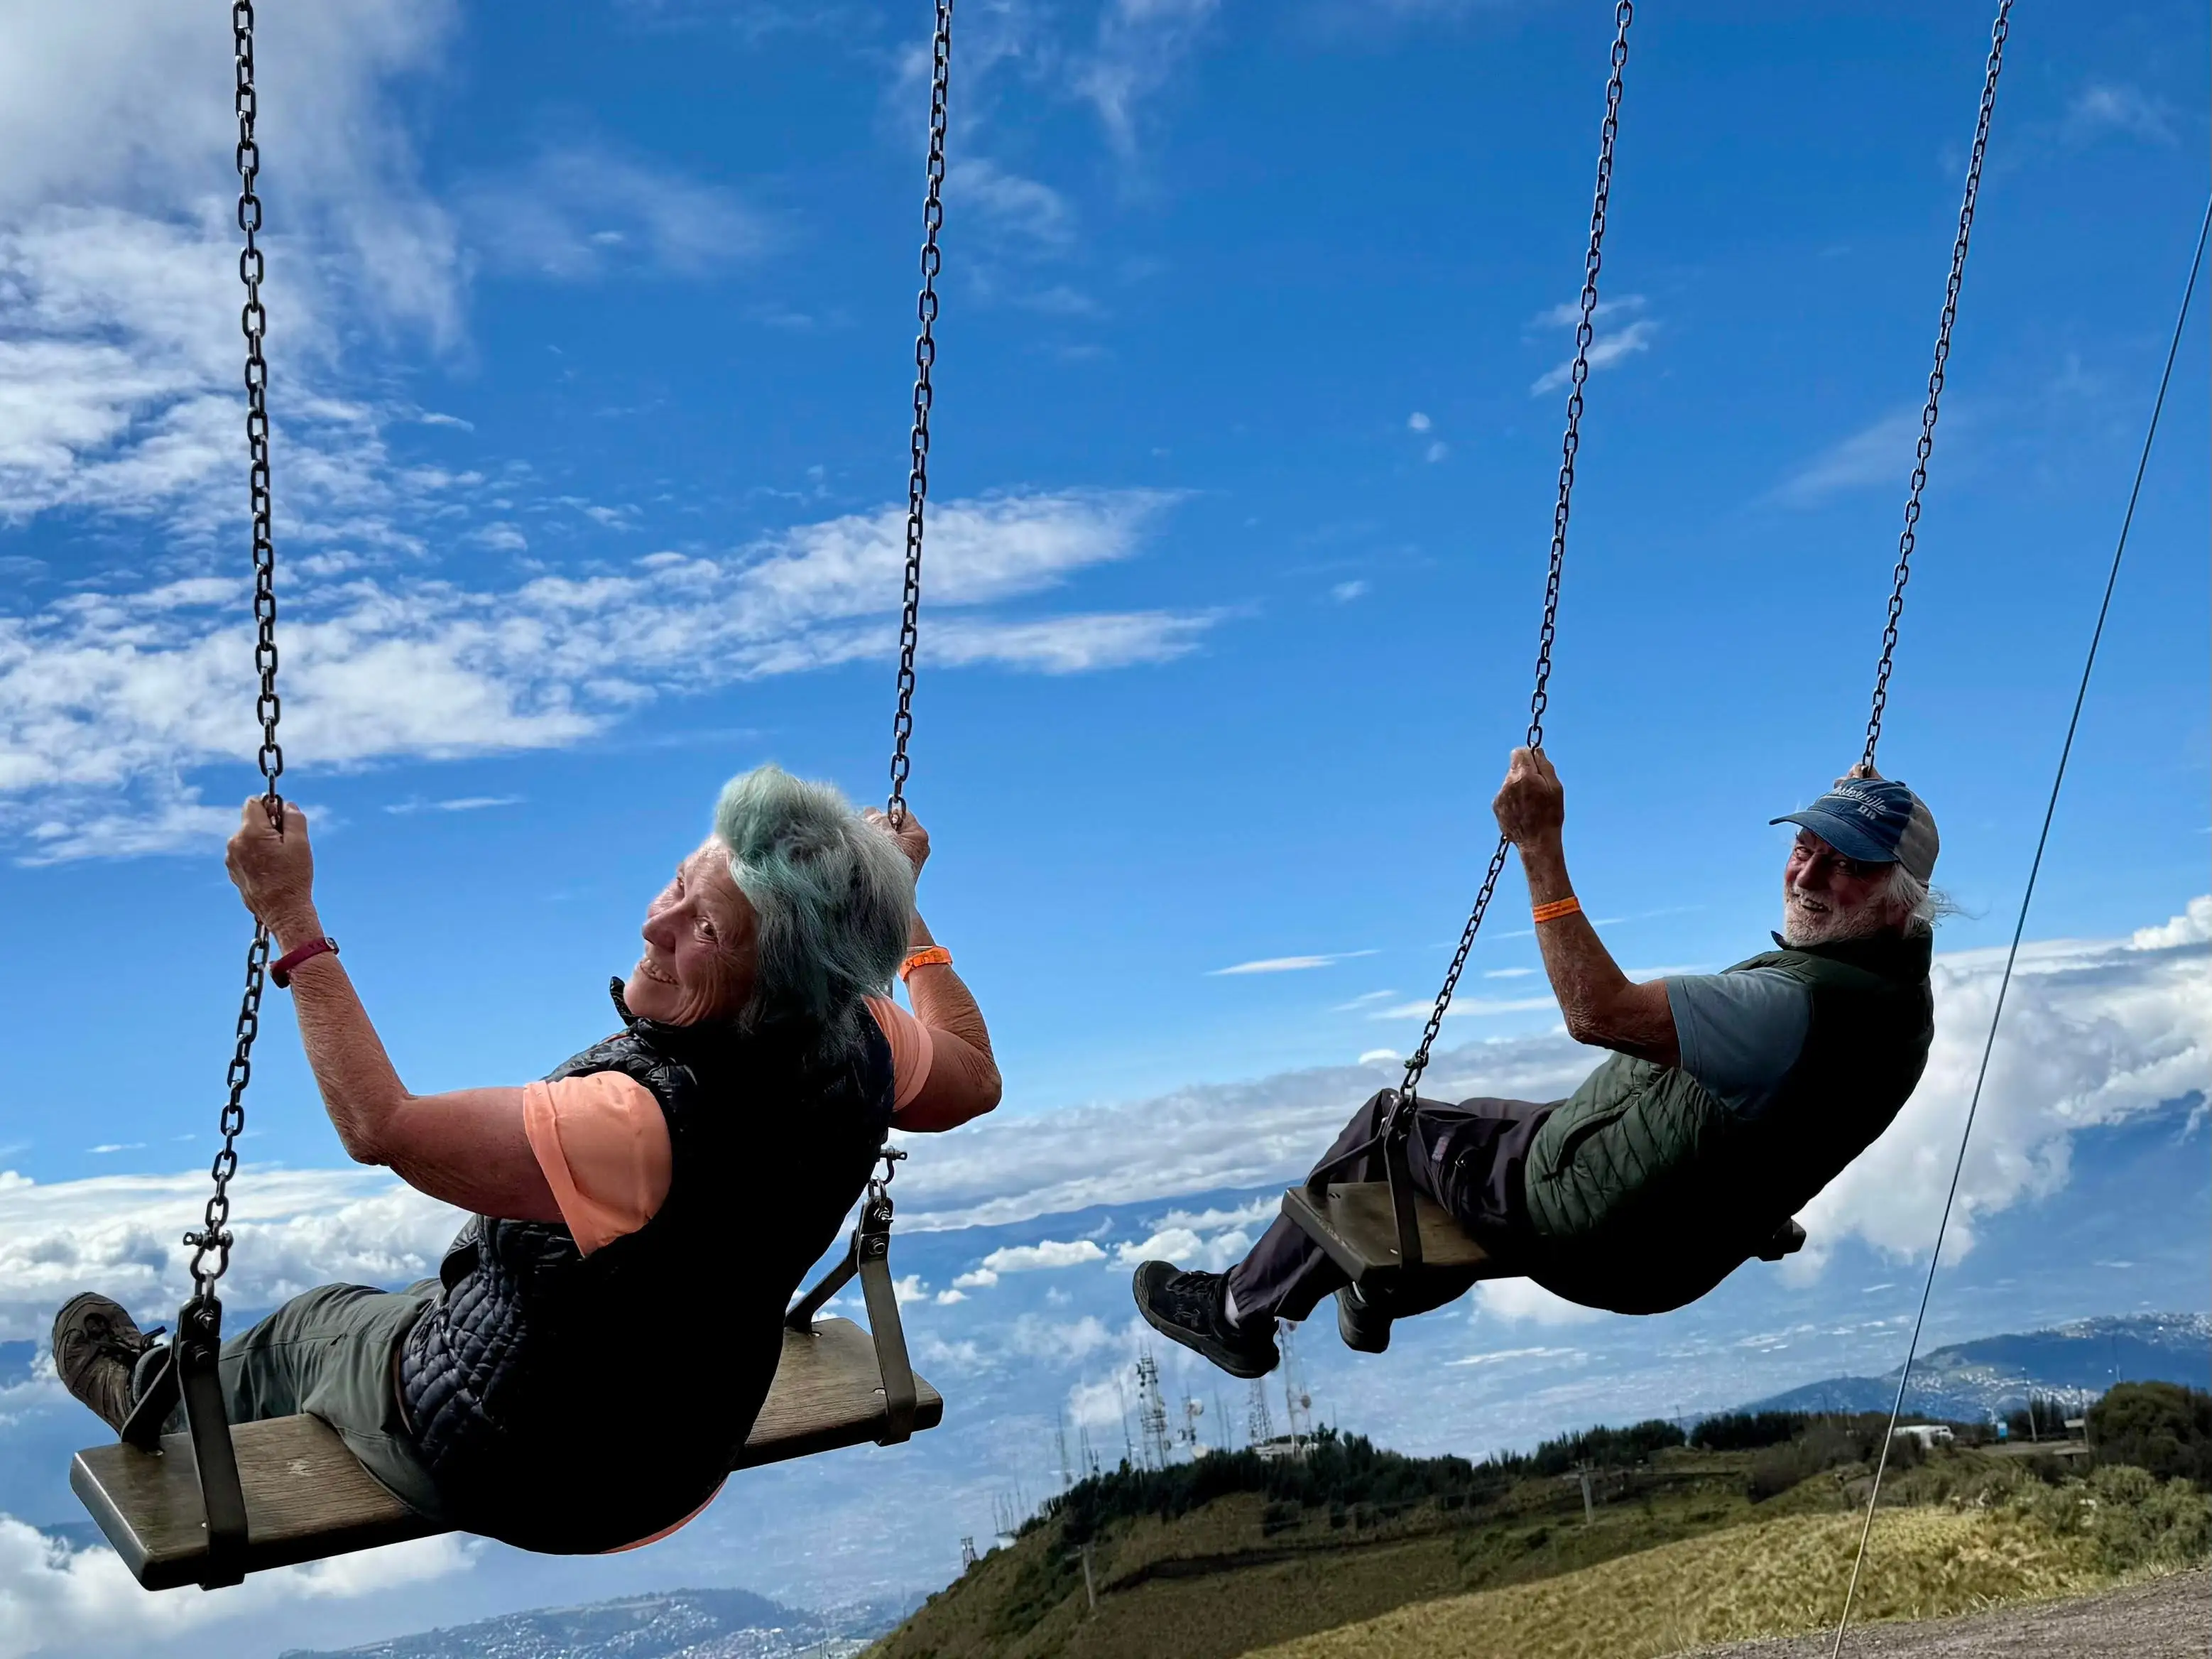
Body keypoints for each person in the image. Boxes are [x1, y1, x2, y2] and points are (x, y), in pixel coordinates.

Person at [53, 765, 999, 1554]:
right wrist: (899, 909)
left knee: (317, 1324)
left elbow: (379, 1126)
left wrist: (291, 917)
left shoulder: (639, 1125)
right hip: (683, 1444)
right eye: (677, 883)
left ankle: (140, 1387)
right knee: (454, 1300)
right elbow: (974, 1079)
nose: (655, 926)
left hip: (532, 1473)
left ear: (775, 983)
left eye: (704, 929)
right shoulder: (861, 1033)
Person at [1134, 746, 1940, 1378]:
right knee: (1479, 1124)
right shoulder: (1901, 1004)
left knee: (1392, 1125)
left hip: (1593, 1221)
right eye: (1806, 845)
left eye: (1847, 862)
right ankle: (1371, 1285)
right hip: (1681, 1241)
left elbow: (1598, 1012)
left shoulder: (1791, 1009)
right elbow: (1796, 1112)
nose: (1809, 874)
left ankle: (1239, 1315)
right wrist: (1864, 814)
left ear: (1901, 895)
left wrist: (1538, 845)